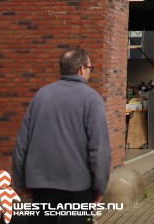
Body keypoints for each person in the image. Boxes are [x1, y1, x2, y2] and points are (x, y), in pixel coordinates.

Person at [12, 50, 111, 223]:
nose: (90, 71)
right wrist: (100, 187)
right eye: (90, 68)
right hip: (78, 188)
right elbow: (99, 150)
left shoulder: (41, 95)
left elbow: (22, 144)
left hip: (41, 187)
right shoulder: (92, 99)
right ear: (81, 70)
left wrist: (21, 182)